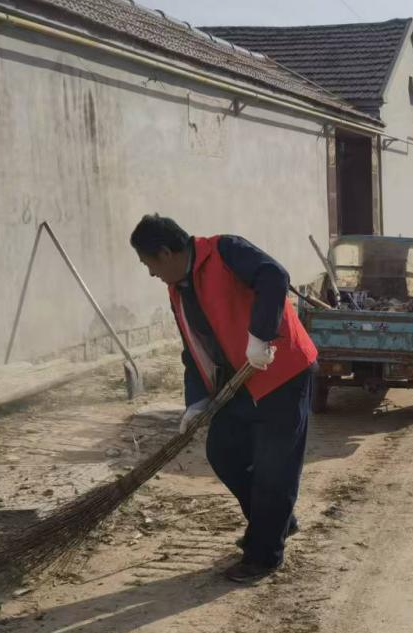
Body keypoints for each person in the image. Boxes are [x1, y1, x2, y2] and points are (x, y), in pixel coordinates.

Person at [130, 214, 317, 585]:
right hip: (238, 382)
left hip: (282, 371)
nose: (150, 273)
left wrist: (261, 335)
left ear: (165, 253)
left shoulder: (225, 251)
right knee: (223, 452)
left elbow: (274, 276)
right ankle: (276, 522)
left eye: (148, 263)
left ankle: (263, 556)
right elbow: (192, 349)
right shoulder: (177, 290)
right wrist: (195, 401)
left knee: (273, 468)